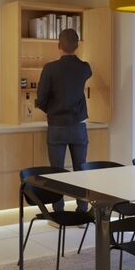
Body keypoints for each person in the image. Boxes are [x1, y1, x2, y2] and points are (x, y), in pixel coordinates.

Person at [36, 28, 92, 212]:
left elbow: (41, 99)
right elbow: (85, 75)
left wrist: (52, 110)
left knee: (56, 172)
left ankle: (58, 211)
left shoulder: (50, 69)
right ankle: (82, 209)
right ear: (77, 46)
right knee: (81, 170)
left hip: (57, 126)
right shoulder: (84, 68)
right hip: (78, 126)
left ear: (58, 45)